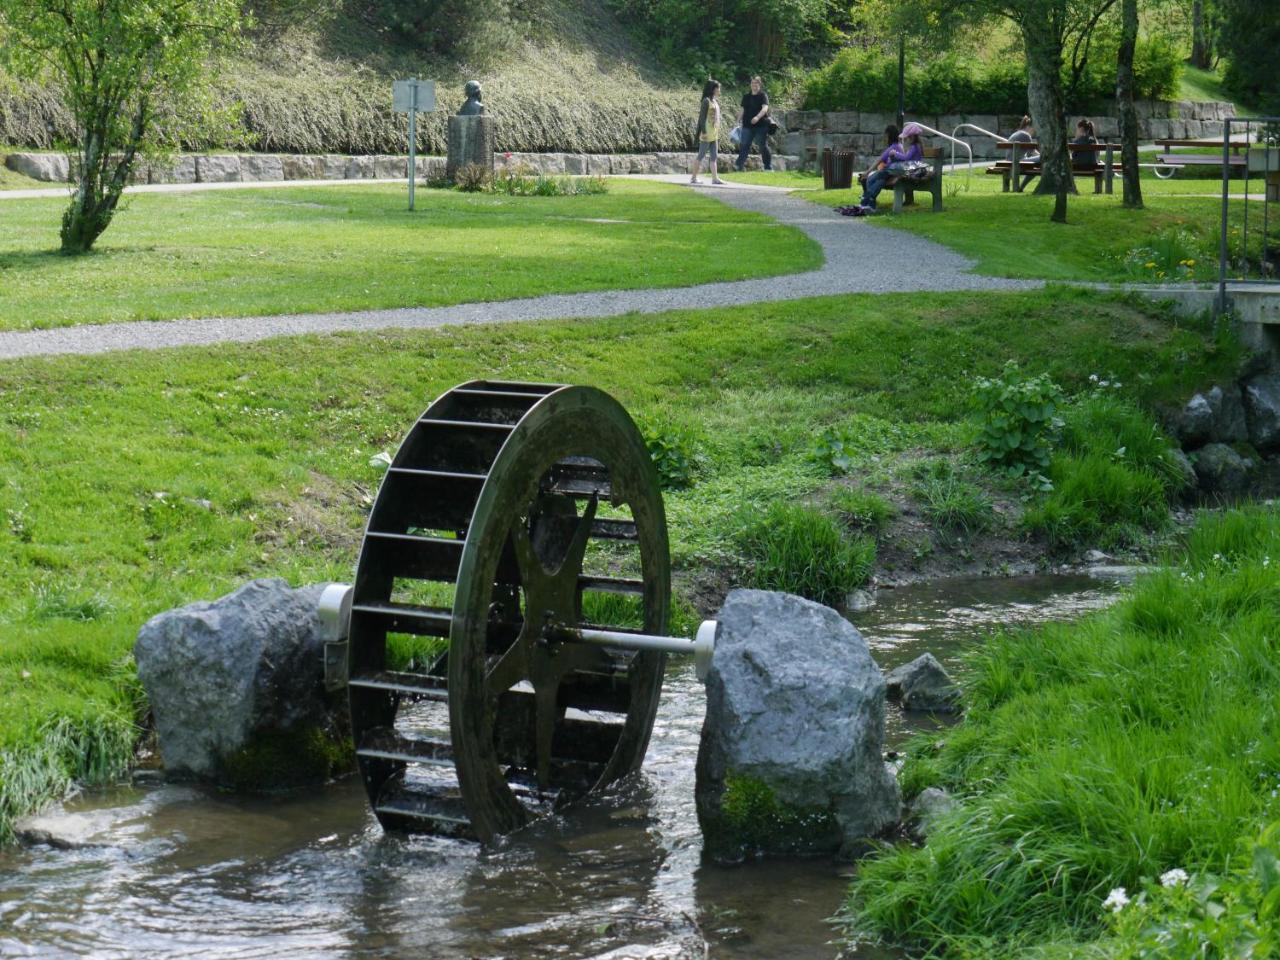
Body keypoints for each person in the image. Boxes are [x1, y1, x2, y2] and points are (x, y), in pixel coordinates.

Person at [857, 121, 925, 211]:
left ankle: (866, 198)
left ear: (911, 137)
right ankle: (869, 200)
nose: (905, 140)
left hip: (903, 171)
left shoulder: (901, 147)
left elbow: (905, 158)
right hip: (901, 170)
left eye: (906, 138)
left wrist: (895, 154)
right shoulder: (911, 146)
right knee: (880, 180)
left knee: (875, 177)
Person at [690, 79, 725, 185]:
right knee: (701, 155)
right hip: (706, 133)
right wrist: (704, 132)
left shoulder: (715, 101)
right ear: (713, 89)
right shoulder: (706, 101)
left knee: (714, 156)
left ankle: (715, 178)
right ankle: (693, 178)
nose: (720, 90)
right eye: (718, 88)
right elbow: (701, 118)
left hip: (714, 133)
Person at [734, 76, 771, 172]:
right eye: (752, 83)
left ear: (760, 84)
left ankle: (768, 167)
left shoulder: (763, 96)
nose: (754, 85)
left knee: (763, 146)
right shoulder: (746, 97)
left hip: (761, 126)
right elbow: (742, 110)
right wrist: (737, 122)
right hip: (747, 126)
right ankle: (739, 166)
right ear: (750, 84)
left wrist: (757, 117)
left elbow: (765, 108)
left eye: (756, 83)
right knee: (744, 145)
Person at [1008, 114, 1038, 189]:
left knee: (1034, 167)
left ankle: (1021, 187)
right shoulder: (1026, 135)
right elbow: (1033, 152)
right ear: (1028, 127)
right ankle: (1021, 187)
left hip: (1011, 161)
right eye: (1034, 129)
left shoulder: (1017, 133)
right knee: (1043, 157)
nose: (1034, 132)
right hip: (1017, 161)